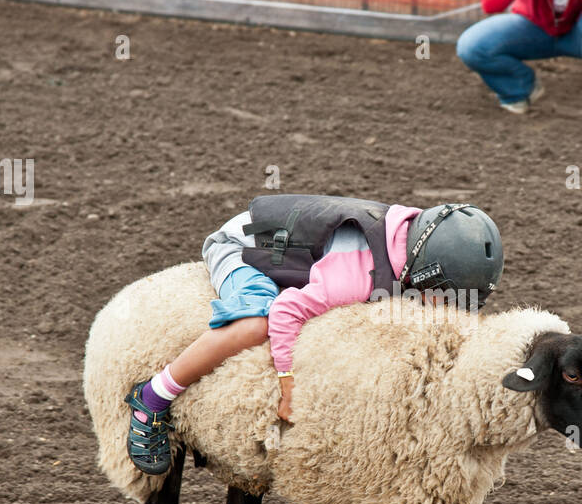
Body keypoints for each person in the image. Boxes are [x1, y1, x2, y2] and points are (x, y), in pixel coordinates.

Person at [124, 195, 505, 475]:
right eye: (443, 299)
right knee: (258, 321)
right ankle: (152, 397)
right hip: (244, 248)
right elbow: (288, 310)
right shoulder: (356, 271)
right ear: (423, 275)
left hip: (307, 257)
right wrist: (289, 385)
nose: (447, 310)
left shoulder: (423, 243)